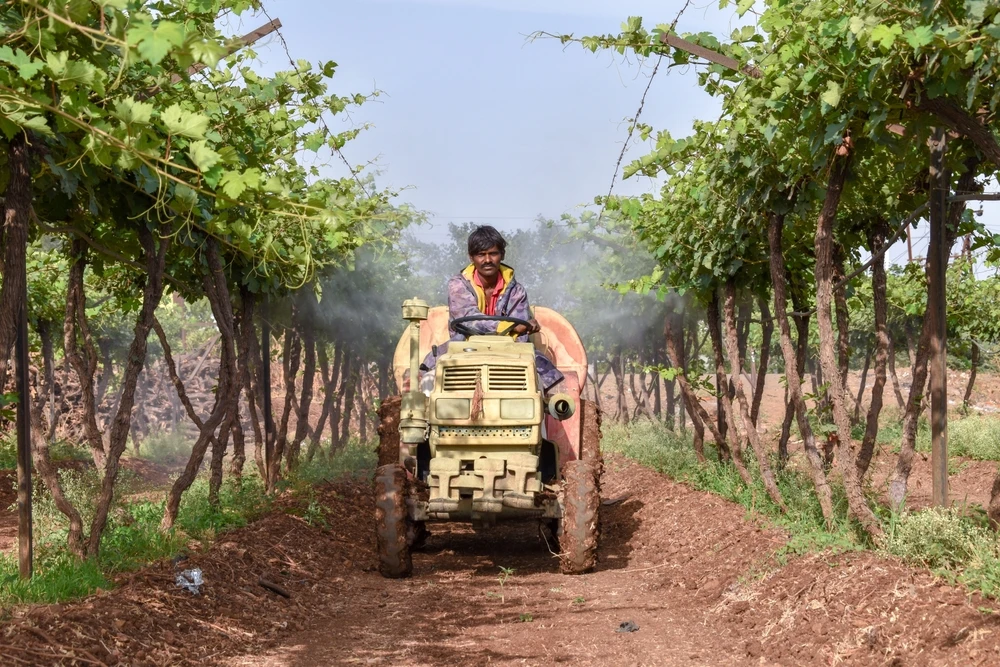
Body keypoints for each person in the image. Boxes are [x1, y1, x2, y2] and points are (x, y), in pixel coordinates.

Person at [419, 225, 564, 393]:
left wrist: (523, 327)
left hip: (508, 350)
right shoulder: (458, 284)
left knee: (542, 382)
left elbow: (519, 333)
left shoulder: (516, 291)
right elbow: (470, 319)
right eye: (481, 254)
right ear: (471, 257)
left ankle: (540, 415)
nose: (487, 260)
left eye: (493, 253)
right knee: (428, 382)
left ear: (502, 255)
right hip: (463, 347)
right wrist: (508, 326)